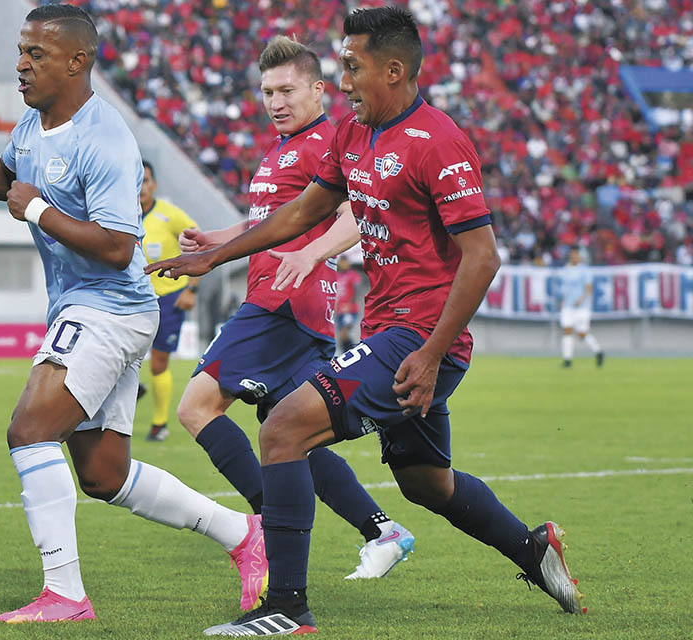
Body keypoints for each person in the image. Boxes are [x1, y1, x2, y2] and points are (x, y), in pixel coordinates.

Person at [147, 8, 583, 634]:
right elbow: (302, 213)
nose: (344, 80)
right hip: (389, 334)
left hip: (421, 339)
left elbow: (482, 256)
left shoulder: (437, 139)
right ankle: (532, 548)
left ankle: (287, 608)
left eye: (353, 67)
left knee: (284, 428)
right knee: (426, 484)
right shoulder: (355, 134)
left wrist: (431, 353)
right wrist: (214, 256)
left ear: (395, 70)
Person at [0, 4, 264, 623]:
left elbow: (119, 247)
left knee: (29, 430)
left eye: (37, 54)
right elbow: (8, 181)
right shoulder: (34, 126)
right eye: (23, 51)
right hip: (90, 307)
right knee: (102, 472)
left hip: (108, 305)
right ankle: (243, 535)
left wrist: (36, 210)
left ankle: (64, 594)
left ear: (77, 61)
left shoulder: (105, 136)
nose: (22, 64)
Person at [173, 35, 414, 585]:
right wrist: (219, 239)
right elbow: (271, 219)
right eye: (267, 92)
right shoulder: (283, 147)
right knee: (291, 433)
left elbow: (357, 209)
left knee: (196, 407)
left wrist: (307, 254)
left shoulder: (327, 142)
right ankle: (383, 530)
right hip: (295, 309)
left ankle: (267, 523)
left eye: (287, 90)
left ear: (318, 89)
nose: (276, 101)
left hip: (281, 303)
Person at [136, 159, 199, 442]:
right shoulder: (120, 213)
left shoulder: (170, 215)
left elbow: (199, 243)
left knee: (159, 363)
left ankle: (159, 423)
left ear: (155, 185)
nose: (141, 187)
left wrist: (191, 290)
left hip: (168, 298)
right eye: (137, 180)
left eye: (146, 180)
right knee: (117, 356)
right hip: (132, 298)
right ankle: (130, 389)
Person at [558, 247, 603, 367]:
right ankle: (567, 360)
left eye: (576, 255)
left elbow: (589, 288)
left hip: (582, 307)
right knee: (567, 330)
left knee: (582, 334)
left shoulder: (585, 270)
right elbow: (563, 288)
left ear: (579, 257)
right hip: (567, 306)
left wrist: (581, 300)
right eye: (572, 255)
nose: (574, 257)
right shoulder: (565, 270)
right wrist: (561, 300)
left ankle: (598, 351)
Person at [333, 255, 362, 355]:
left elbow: (357, 290)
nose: (343, 264)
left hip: (350, 309)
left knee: (344, 333)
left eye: (345, 262)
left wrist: (350, 303)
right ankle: (345, 356)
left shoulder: (353, 275)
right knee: (341, 335)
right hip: (339, 310)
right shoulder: (337, 275)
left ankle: (353, 353)